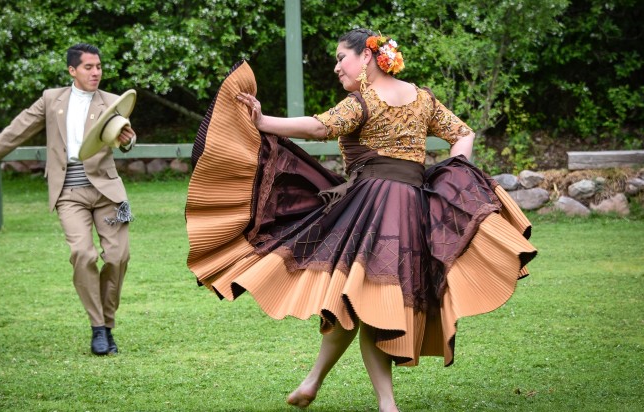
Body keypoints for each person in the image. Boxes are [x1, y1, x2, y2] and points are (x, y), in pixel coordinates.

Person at [185, 28, 536, 411]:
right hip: (410, 207)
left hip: (374, 207)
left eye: (341, 57)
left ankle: (385, 404)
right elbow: (462, 134)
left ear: (367, 57)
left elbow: (319, 127)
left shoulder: (362, 101)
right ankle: (313, 382)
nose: (337, 67)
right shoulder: (423, 98)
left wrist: (263, 121)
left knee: (371, 300)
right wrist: (457, 167)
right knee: (351, 299)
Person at [0, 43, 136, 356]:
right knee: (83, 254)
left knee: (118, 257)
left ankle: (107, 325)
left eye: (99, 67)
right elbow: (14, 133)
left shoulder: (112, 102)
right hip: (69, 194)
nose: (96, 73)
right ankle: (98, 329)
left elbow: (127, 137)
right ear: (72, 70)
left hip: (108, 195)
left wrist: (127, 140)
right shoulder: (51, 100)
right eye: (88, 67)